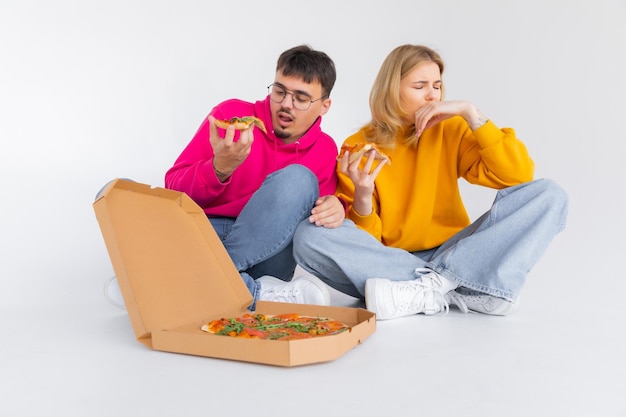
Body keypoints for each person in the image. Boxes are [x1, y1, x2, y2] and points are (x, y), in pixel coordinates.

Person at [293, 44, 569, 320]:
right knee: (309, 236)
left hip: (454, 251)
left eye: (436, 86)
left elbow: (517, 176)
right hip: (390, 261)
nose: (431, 95)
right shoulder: (358, 147)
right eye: (420, 86)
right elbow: (367, 245)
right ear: (392, 90)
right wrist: (364, 194)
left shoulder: (451, 129)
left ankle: (430, 288)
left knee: (550, 195)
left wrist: (471, 113)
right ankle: (458, 285)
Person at [162, 45, 345, 310]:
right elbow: (173, 189)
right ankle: (252, 292)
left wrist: (338, 206)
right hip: (208, 233)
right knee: (125, 201)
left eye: (301, 98)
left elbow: (314, 227)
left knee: (298, 179)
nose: (285, 104)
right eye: (280, 91)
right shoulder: (230, 118)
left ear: (324, 106)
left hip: (267, 256)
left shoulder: (325, 150)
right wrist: (219, 168)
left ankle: (178, 281)